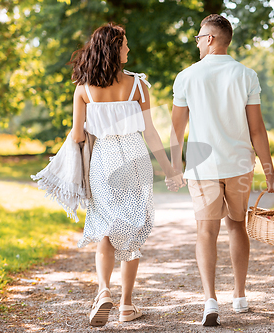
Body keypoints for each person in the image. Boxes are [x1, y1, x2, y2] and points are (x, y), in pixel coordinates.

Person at [169, 14, 274, 326]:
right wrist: (270, 173)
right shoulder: (246, 75)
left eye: (198, 37)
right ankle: (240, 295)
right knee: (236, 225)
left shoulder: (187, 77)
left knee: (205, 231)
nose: (196, 42)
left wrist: (173, 168)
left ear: (210, 39)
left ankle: (209, 300)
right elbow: (257, 130)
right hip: (239, 165)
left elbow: (176, 130)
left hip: (202, 166)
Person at [70, 23, 183, 327]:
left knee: (106, 227)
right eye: (125, 45)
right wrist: (171, 169)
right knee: (131, 227)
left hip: (102, 161)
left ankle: (104, 290)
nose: (129, 49)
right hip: (133, 158)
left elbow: (78, 136)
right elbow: (150, 132)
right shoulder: (137, 85)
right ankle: (126, 305)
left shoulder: (83, 89)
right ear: (113, 49)